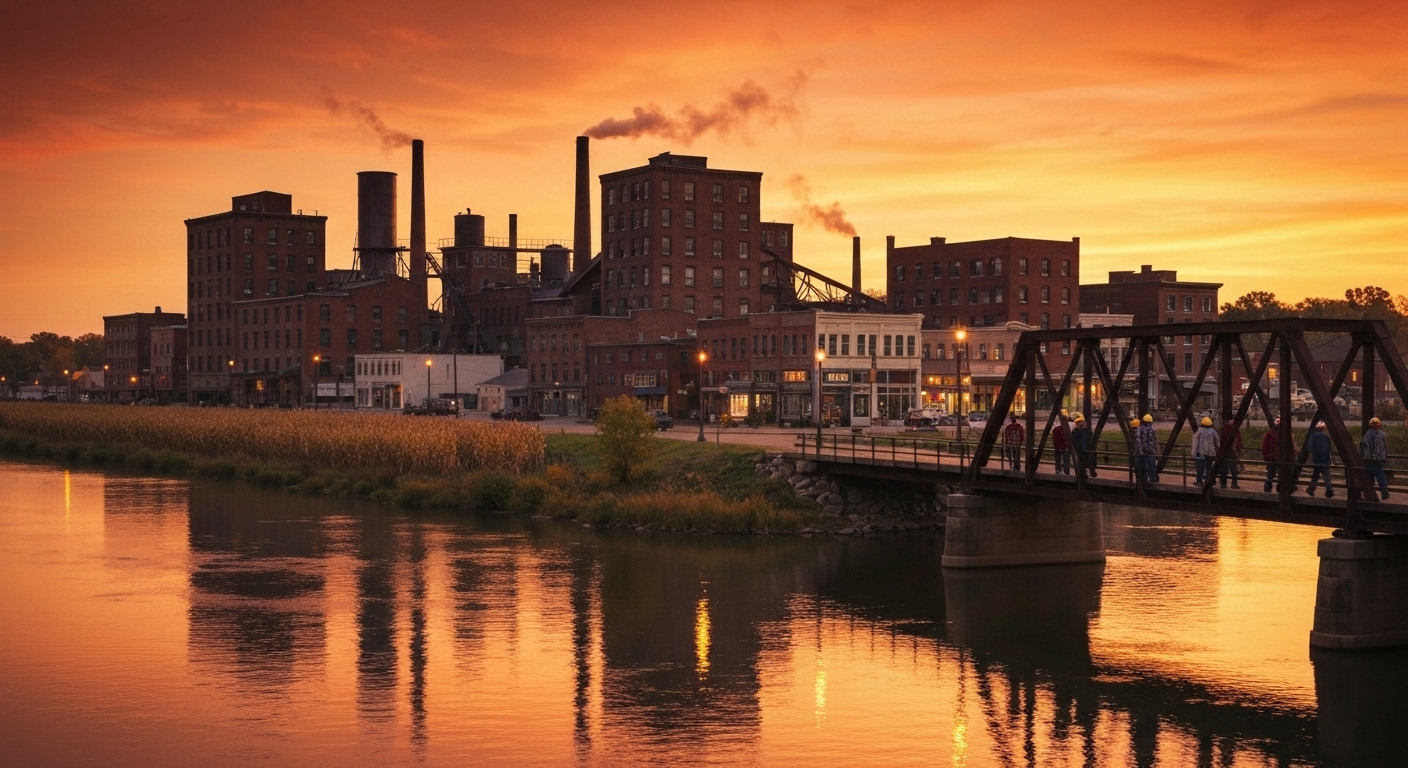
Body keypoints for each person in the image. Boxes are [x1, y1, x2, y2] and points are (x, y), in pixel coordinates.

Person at [1261, 417, 1297, 493]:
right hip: (1276, 457)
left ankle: (1270, 486)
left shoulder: (1270, 434)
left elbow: (1265, 447)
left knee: (1272, 473)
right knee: (1275, 473)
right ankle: (1274, 486)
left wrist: (1266, 456)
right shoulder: (1285, 435)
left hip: (1275, 456)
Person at [1361, 416, 1390, 500]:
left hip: (1369, 459)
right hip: (1379, 459)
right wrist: (1384, 456)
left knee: (1370, 477)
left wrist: (1362, 456)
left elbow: (1363, 446)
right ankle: (1385, 493)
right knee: (1381, 475)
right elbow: (1385, 446)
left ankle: (1370, 494)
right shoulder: (1382, 434)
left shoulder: (1367, 434)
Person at [1305, 422, 1334, 498]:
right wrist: (1330, 459)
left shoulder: (1312, 436)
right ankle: (1329, 489)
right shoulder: (1326, 437)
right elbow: (1329, 449)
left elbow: (1310, 447)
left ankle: (1311, 489)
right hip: (1324, 458)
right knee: (1326, 475)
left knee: (1316, 475)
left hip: (1316, 458)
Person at [1193, 416, 1220, 487]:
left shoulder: (1200, 431)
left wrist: (1193, 453)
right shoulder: (1213, 431)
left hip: (1201, 452)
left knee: (1200, 468)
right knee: (1209, 467)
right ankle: (1208, 481)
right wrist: (1217, 450)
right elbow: (1217, 441)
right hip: (1211, 453)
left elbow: (1195, 441)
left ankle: (1199, 482)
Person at [1217, 419, 1244, 489]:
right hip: (1232, 453)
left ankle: (1223, 483)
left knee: (1224, 469)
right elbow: (1238, 442)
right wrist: (1238, 452)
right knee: (1234, 469)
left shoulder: (1223, 429)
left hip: (1224, 452)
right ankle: (1234, 484)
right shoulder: (1235, 431)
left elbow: (1219, 441)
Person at [1135, 413, 1159, 485]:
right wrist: (1156, 451)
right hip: (1150, 451)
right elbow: (1155, 441)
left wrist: (1140, 451)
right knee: (1151, 466)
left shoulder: (1139, 429)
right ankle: (1153, 480)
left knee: (1141, 467)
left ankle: (1142, 480)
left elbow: (1138, 441)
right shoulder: (1153, 429)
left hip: (1142, 451)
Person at [1071, 413, 1096, 477]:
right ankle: (1084, 472)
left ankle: (1084, 472)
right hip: (1082, 449)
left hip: (1082, 449)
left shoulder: (1078, 431)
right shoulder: (1084, 431)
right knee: (1083, 461)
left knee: (1083, 461)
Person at [1052, 410, 1072, 475]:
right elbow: (1065, 437)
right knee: (1066, 460)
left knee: (1058, 459)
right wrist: (1067, 444)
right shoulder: (1065, 429)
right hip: (1064, 447)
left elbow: (1054, 438)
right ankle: (1066, 471)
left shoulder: (1055, 429)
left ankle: (1058, 470)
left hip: (1057, 447)